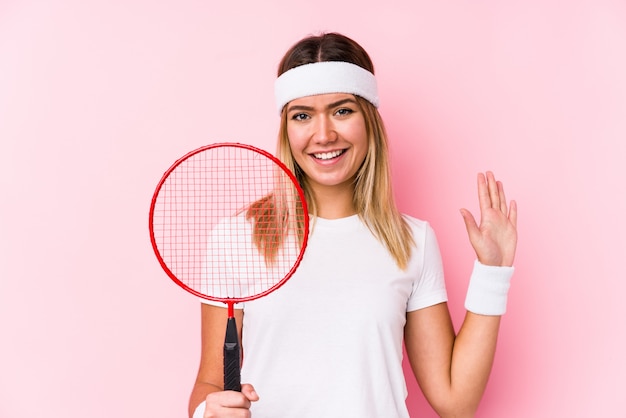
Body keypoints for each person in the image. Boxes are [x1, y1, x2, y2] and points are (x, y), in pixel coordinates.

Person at [188, 32, 518, 418]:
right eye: (302, 115)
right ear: (286, 129)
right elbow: (209, 384)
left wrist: (493, 273)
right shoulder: (237, 238)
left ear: (369, 120)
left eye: (342, 111)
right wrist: (206, 413)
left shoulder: (413, 241)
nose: (324, 134)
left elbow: (456, 401)